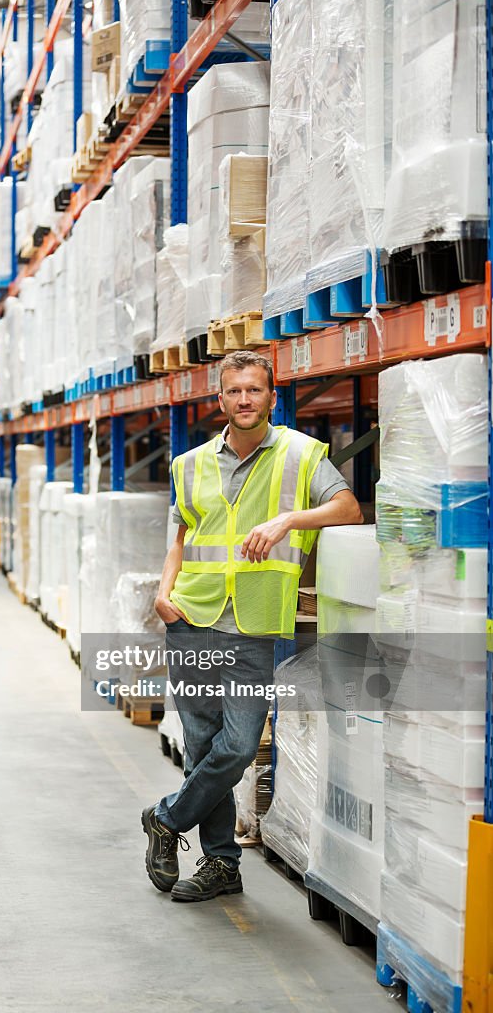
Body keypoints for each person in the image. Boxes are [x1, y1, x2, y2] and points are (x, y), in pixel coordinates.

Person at [142, 351, 363, 902]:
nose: (245, 400)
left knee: (238, 745)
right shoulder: (188, 464)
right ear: (220, 399)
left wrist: (290, 517)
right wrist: (164, 593)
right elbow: (182, 536)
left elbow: (349, 509)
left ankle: (166, 819)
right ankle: (220, 864)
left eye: (255, 391)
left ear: (272, 397)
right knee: (200, 744)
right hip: (192, 617)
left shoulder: (302, 455)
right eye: (234, 391)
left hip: (253, 623)